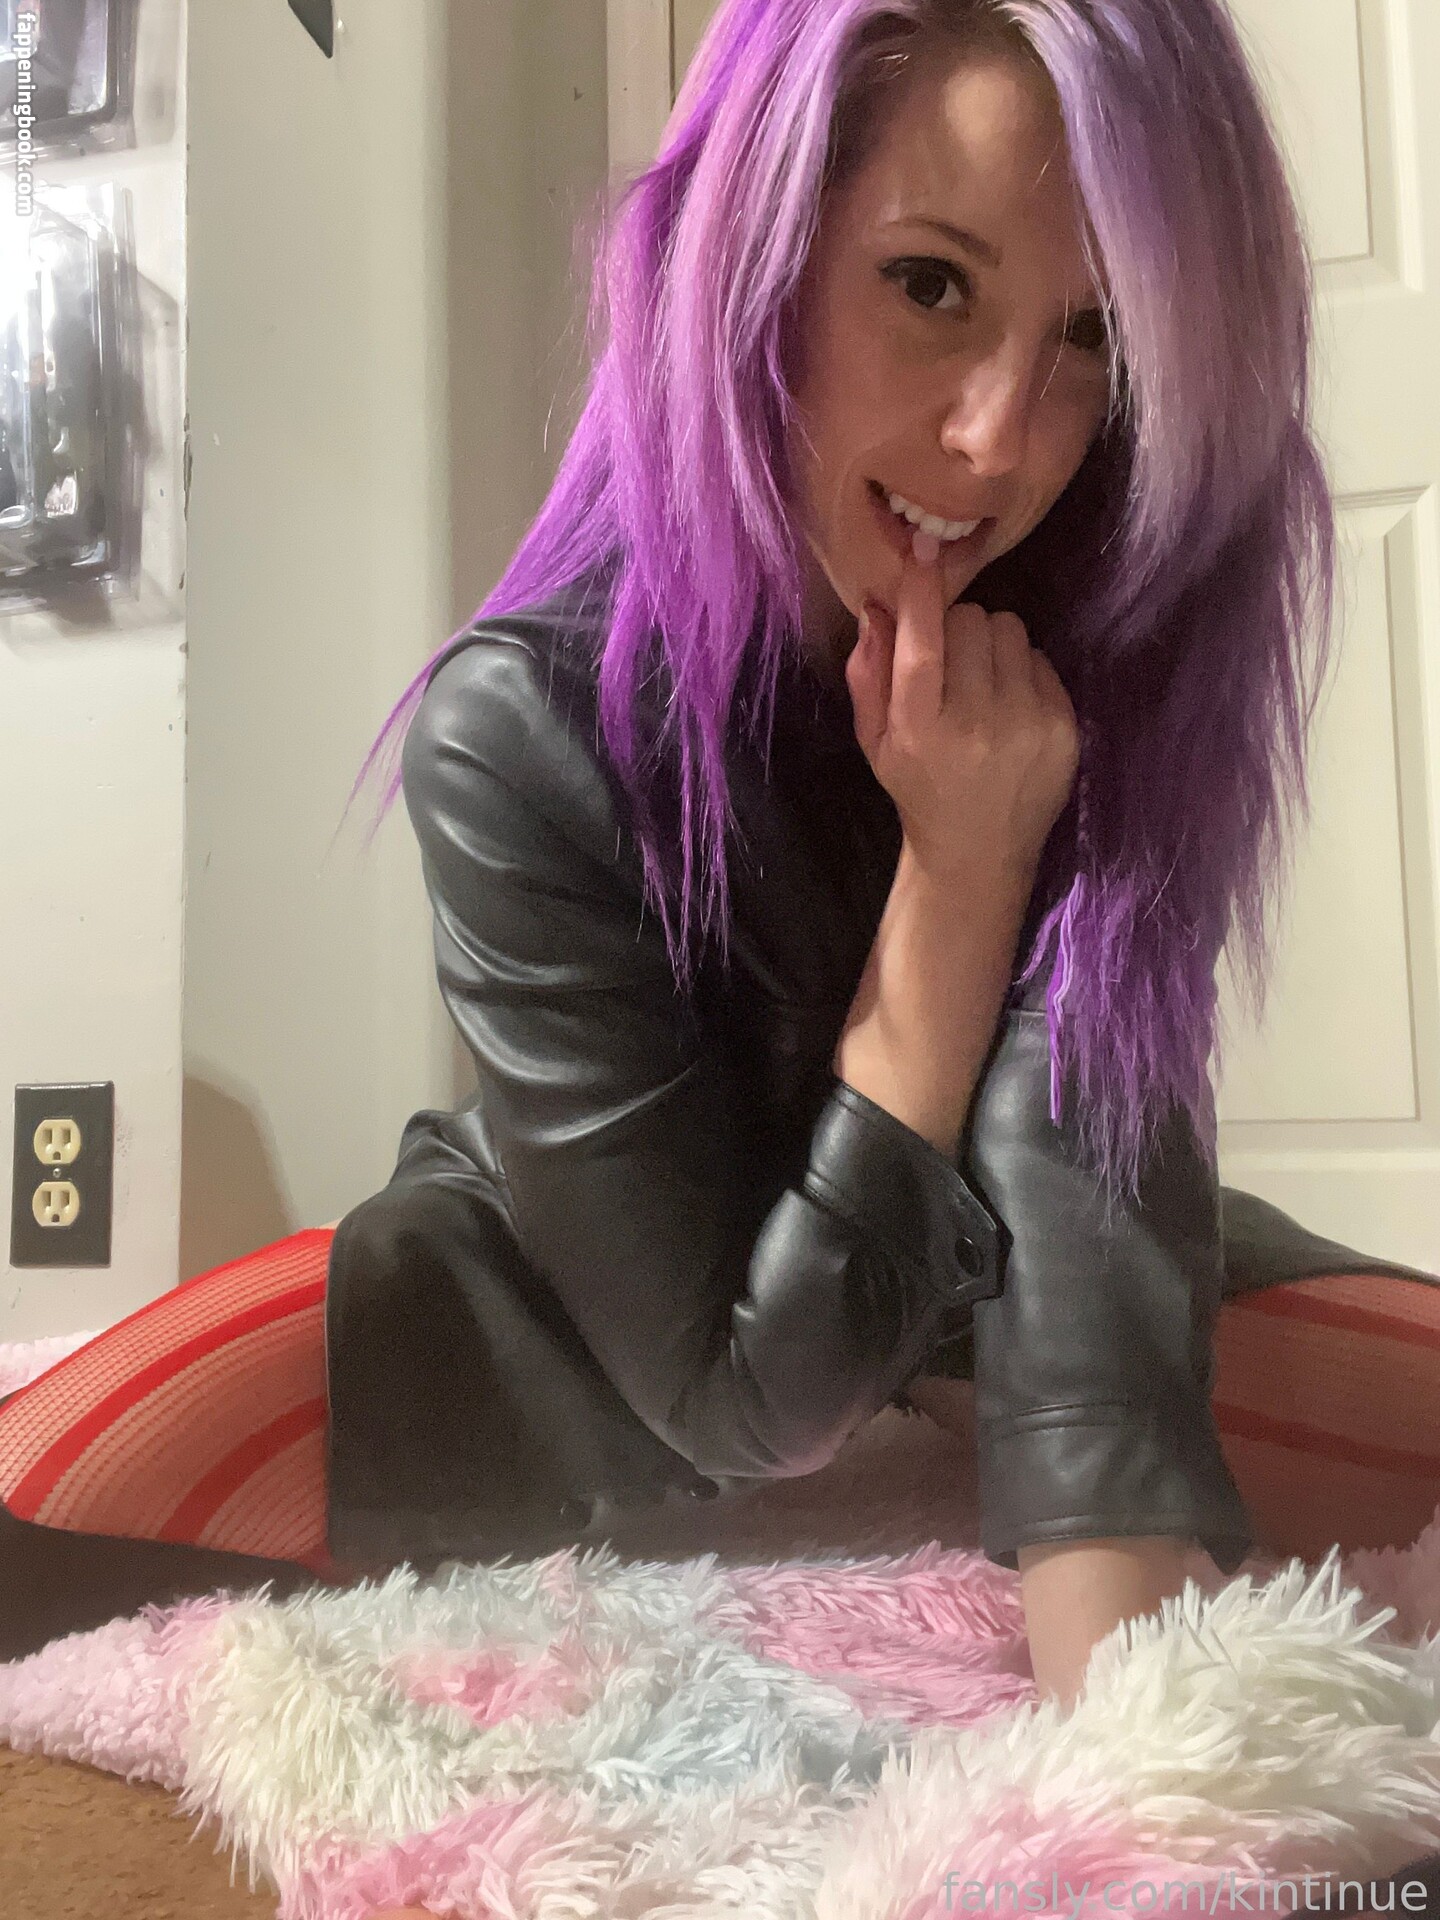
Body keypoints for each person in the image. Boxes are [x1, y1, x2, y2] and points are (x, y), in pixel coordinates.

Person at [3, 24, 1439, 1920]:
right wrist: (958, 881)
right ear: (753, 256)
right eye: (932, 284)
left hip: (968, 1289)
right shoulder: (521, 728)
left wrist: (1151, 1756)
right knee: (52, 1479)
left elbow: (1089, 1218)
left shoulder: (1082, 664)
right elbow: (742, 1396)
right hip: (580, 1303)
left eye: (1097, 337)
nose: (1004, 437)